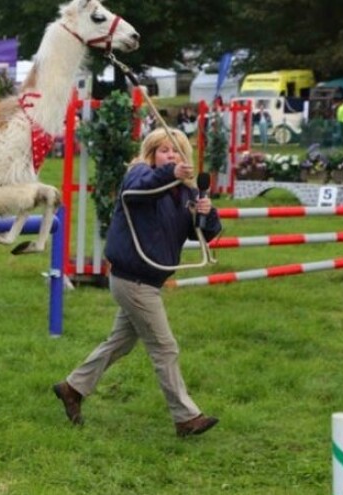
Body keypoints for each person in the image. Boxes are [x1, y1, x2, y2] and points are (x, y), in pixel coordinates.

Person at [53, 127, 223, 438]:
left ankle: (73, 387)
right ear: (151, 154)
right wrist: (169, 173)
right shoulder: (139, 175)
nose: (170, 155)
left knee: (120, 342)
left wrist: (207, 214)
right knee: (165, 347)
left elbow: (204, 235)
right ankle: (186, 418)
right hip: (133, 279)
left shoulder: (184, 193)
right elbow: (138, 191)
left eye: (176, 151)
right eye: (163, 150)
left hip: (148, 279)